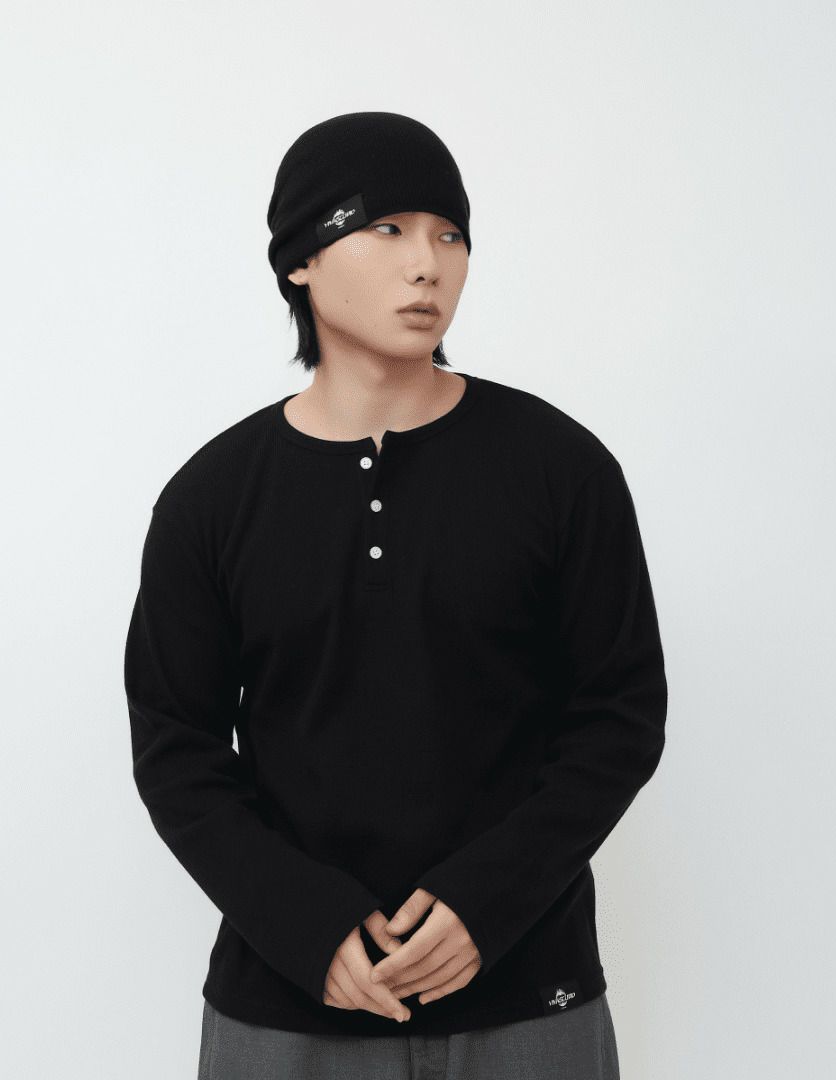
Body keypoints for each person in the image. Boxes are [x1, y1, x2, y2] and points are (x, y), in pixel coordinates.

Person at [124, 111, 667, 1079]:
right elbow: (177, 752)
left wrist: (488, 904)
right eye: (387, 228)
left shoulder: (561, 470)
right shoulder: (211, 500)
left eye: (451, 235)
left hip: (527, 996)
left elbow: (619, 718)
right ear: (301, 260)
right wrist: (306, 925)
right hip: (285, 1010)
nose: (428, 265)